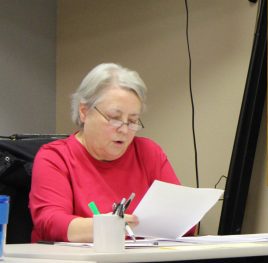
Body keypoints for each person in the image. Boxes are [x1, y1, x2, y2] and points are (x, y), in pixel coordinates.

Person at [29, 63, 191, 243]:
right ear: (84, 112)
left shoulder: (148, 153)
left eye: (132, 121)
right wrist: (107, 226)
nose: (124, 129)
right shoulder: (55, 157)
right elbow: (51, 224)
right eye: (114, 118)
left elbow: (185, 223)